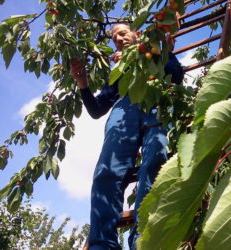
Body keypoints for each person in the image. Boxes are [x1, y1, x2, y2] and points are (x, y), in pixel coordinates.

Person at [70, 23, 184, 250]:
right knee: (106, 174)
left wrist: (149, 55)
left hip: (157, 101)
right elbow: (97, 110)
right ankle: (102, 244)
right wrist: (82, 82)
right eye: (114, 38)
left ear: (137, 35)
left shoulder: (156, 53)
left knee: (154, 163)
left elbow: (176, 75)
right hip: (124, 110)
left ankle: (144, 239)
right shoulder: (118, 70)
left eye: (122, 33)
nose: (118, 39)